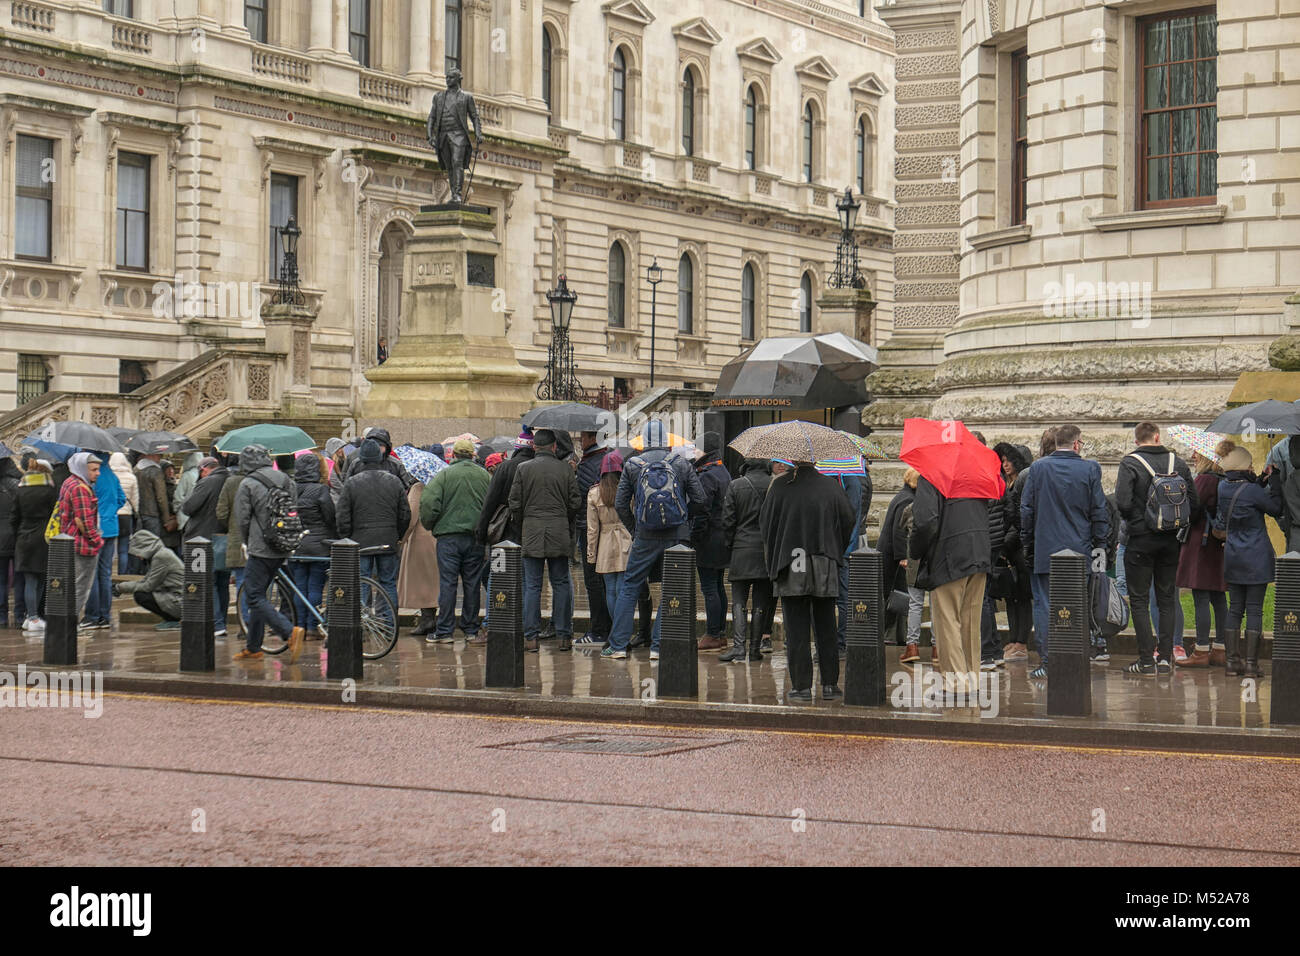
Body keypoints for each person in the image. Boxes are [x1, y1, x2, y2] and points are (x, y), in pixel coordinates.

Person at [600, 420, 706, 660]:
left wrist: (636, 528)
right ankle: (658, 646)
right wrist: (683, 521)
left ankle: (617, 645)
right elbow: (700, 498)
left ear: (644, 441)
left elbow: (620, 504)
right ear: (666, 440)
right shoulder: (680, 463)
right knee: (672, 589)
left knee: (630, 586)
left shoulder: (632, 465)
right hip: (676, 535)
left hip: (645, 536)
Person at [761, 460, 855, 701]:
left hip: (792, 560)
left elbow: (766, 524)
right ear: (814, 461)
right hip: (824, 559)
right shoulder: (831, 487)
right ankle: (830, 685)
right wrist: (835, 548)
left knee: (796, 627)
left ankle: (801, 687)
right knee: (826, 626)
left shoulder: (780, 487)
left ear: (792, 461)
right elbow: (848, 520)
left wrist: (775, 553)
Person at [1019, 424, 1108, 679]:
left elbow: (1027, 510)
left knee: (1045, 606)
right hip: (1080, 549)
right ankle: (1076, 659)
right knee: (1078, 606)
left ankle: (1048, 662)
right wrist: (1100, 545)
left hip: (1045, 548)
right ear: (1077, 443)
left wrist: (1028, 543)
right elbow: (1099, 511)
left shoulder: (1038, 468)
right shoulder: (1090, 468)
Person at [1116, 422, 1198, 676]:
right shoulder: (1178, 462)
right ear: (1157, 437)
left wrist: (1138, 522)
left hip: (1140, 540)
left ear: (1137, 440)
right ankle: (1165, 658)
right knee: (1167, 600)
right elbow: (1193, 503)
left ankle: (1145, 661)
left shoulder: (1130, 463)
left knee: (1139, 601)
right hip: (1171, 541)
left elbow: (1123, 503)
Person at [909, 469, 993, 692]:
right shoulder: (976, 473)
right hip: (979, 552)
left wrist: (914, 550)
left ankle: (956, 683)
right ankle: (972, 678)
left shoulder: (933, 474)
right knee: (970, 622)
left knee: (948, 621)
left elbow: (925, 521)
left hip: (948, 556)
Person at [233, 443, 305, 663]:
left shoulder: (247, 483)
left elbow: (243, 519)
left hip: (261, 548)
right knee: (259, 595)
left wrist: (247, 542)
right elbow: (293, 509)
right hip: (284, 544)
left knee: (253, 595)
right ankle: (253, 647)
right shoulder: (286, 480)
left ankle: (288, 632)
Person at [509, 429, 580, 651]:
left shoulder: (523, 469)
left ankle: (531, 637)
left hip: (532, 532)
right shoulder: (565, 469)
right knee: (560, 584)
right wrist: (562, 518)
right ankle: (564, 636)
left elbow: (514, 503)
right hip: (559, 531)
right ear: (554, 447)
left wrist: (525, 522)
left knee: (532, 586)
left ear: (534, 447)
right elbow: (575, 502)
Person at [1215, 446, 1282, 678]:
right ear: (1244, 466)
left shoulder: (1223, 486)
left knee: (1235, 608)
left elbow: (1245, 492)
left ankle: (1233, 663)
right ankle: (1252, 665)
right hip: (1256, 556)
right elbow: (1275, 508)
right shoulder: (1253, 490)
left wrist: (1261, 480)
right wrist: (1274, 483)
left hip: (1233, 555)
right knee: (1254, 609)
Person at [337, 438, 410, 637]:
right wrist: (398, 535)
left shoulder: (352, 483)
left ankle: (361, 626)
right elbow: (405, 513)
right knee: (388, 583)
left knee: (362, 582)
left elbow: (342, 515)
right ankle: (389, 627)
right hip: (388, 539)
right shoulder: (393, 481)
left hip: (360, 541)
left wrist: (347, 538)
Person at [421, 438, 489, 644]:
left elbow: (429, 504)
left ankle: (444, 631)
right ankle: (470, 629)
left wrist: (430, 525)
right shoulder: (484, 476)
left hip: (448, 538)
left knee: (448, 583)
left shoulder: (443, 476)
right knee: (472, 583)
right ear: (473, 455)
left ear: (454, 455)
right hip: (475, 538)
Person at [1175, 444, 1231, 668]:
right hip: (1218, 545)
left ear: (1207, 457)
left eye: (1197, 453)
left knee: (1201, 597)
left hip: (1202, 543)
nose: (1193, 456)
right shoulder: (1223, 479)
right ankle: (1221, 648)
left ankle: (1200, 651)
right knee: (1218, 598)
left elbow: (1192, 510)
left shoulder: (1205, 480)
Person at [719, 457, 772, 663]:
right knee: (761, 603)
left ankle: (739, 648)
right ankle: (755, 649)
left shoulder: (736, 485)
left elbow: (728, 520)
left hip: (741, 549)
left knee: (739, 601)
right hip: (765, 552)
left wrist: (730, 544)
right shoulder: (773, 485)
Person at [181, 455, 232, 636]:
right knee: (222, 583)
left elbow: (188, 507)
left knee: (207, 582)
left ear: (203, 470)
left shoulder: (207, 482)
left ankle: (216, 624)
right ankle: (222, 622)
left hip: (202, 539)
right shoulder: (231, 480)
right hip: (225, 538)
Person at [287, 453, 336, 640]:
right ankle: (312, 627)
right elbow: (330, 516)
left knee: (300, 587)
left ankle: (299, 626)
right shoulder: (321, 490)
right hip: (319, 545)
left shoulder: (290, 488)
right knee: (315, 586)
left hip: (296, 544)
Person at [992, 443, 1034, 662]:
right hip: (1007, 549)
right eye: (1003, 460)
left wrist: (1005, 543)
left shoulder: (1024, 482)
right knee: (1010, 596)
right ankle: (1013, 637)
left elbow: (1020, 519)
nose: (1005, 464)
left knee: (1023, 597)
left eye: (1009, 460)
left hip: (1020, 549)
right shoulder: (1004, 483)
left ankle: (1022, 641)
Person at [691, 433, 732, 651]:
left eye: (697, 449)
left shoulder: (706, 475)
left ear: (704, 451)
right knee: (717, 585)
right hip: (722, 537)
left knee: (709, 587)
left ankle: (713, 633)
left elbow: (701, 510)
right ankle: (721, 632)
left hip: (708, 539)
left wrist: (694, 537)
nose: (694, 453)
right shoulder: (723, 471)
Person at [586, 451, 632, 641]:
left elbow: (592, 529)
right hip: (626, 541)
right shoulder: (628, 489)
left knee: (610, 590)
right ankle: (623, 634)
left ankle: (616, 632)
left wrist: (590, 555)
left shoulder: (594, 493)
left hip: (605, 543)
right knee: (623, 590)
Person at [10, 456, 57, 635]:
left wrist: (20, 533)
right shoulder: (50, 490)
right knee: (41, 579)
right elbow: (55, 514)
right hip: (44, 538)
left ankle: (31, 616)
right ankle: (35, 616)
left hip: (24, 537)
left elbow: (14, 518)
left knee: (30, 579)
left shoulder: (20, 491)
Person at [575, 430, 612, 646]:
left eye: (583, 436)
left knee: (594, 581)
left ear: (592, 439)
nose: (581, 440)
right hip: (608, 528)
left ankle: (599, 630)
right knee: (609, 582)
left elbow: (583, 497)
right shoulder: (607, 459)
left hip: (590, 528)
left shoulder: (590, 463)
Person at [877, 465, 919, 657]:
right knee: (897, 595)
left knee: (895, 595)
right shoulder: (908, 499)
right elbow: (899, 531)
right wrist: (903, 556)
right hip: (895, 557)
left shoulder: (902, 496)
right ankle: (891, 634)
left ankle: (895, 635)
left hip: (889, 554)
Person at [59, 452, 104, 628]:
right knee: (79, 588)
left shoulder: (68, 482)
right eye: (94, 470)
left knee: (70, 586)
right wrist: (97, 541)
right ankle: (70, 624)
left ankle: (65, 622)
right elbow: (84, 520)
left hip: (69, 541)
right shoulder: (80, 488)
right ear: (83, 469)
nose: (97, 473)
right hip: (82, 546)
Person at [83, 451, 125, 630]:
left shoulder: (93, 476)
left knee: (92, 574)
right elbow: (122, 499)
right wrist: (111, 511)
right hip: (112, 527)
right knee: (105, 574)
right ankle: (105, 615)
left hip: (97, 528)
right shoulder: (112, 475)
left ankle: (92, 615)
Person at [113, 529, 184, 628]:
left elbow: (148, 586)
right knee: (142, 593)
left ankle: (173, 619)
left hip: (179, 601)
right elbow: (146, 581)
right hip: (175, 596)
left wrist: (120, 588)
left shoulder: (161, 557)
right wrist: (120, 587)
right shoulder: (159, 554)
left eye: (138, 551)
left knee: (142, 596)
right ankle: (172, 619)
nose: (138, 555)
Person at [399, 474, 440, 638]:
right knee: (432, 580)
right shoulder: (438, 484)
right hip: (437, 536)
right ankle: (431, 618)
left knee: (422, 581)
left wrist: (402, 538)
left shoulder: (418, 488)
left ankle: (427, 621)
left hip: (420, 538)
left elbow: (411, 516)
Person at [215, 454, 248, 632]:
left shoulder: (231, 482)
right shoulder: (261, 479)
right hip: (259, 541)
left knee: (241, 581)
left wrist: (232, 524)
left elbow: (221, 512)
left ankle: (245, 626)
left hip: (237, 539)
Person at [109, 451, 138, 575]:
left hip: (111, 514)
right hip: (126, 514)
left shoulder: (109, 476)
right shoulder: (131, 477)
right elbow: (135, 499)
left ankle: (108, 573)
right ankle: (122, 574)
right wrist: (136, 511)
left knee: (109, 547)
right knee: (123, 549)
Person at [134, 452, 174, 541]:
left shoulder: (136, 469)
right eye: (159, 455)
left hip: (139, 513)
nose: (160, 458)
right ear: (152, 455)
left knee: (140, 543)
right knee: (153, 543)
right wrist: (166, 519)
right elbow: (161, 497)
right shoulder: (156, 471)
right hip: (152, 513)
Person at [0, 456, 20, 628]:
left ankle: (2, 617)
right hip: (17, 536)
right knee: (20, 578)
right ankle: (20, 615)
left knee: (1, 580)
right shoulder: (16, 485)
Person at [172, 450, 203, 534]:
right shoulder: (204, 474)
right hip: (199, 518)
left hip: (185, 516)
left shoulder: (187, 475)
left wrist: (176, 509)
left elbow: (178, 496)